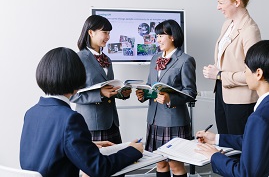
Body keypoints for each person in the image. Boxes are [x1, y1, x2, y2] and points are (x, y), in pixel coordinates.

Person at [20, 47, 143, 177]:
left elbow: (47, 148)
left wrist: (85, 145)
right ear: (77, 77)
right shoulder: (70, 119)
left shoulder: (31, 113)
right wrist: (132, 151)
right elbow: (99, 168)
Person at [196, 40, 269, 177]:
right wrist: (216, 139)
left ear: (258, 73)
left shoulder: (259, 118)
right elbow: (255, 142)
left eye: (245, 69)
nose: (244, 73)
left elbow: (244, 174)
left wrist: (215, 156)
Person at [136, 20, 197, 177]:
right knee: (160, 163)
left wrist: (170, 98)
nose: (158, 39)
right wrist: (143, 94)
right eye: (157, 35)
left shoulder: (185, 60)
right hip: (154, 119)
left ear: (173, 37)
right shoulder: (155, 58)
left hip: (174, 121)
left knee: (175, 166)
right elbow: (151, 85)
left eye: (161, 35)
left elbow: (191, 92)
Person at [203, 0, 261, 135]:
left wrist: (220, 74)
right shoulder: (227, 24)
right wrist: (218, 70)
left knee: (238, 148)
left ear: (237, 2)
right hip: (222, 94)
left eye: (221, 3)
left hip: (240, 101)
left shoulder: (250, 30)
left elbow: (254, 74)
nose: (217, 7)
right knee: (226, 144)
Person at [70, 15, 131, 144]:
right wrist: (100, 94)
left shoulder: (107, 59)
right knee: (96, 163)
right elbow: (71, 95)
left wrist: (121, 93)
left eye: (109, 33)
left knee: (117, 162)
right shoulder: (78, 58)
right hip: (91, 124)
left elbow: (109, 88)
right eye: (105, 32)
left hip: (112, 122)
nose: (108, 37)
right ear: (91, 32)